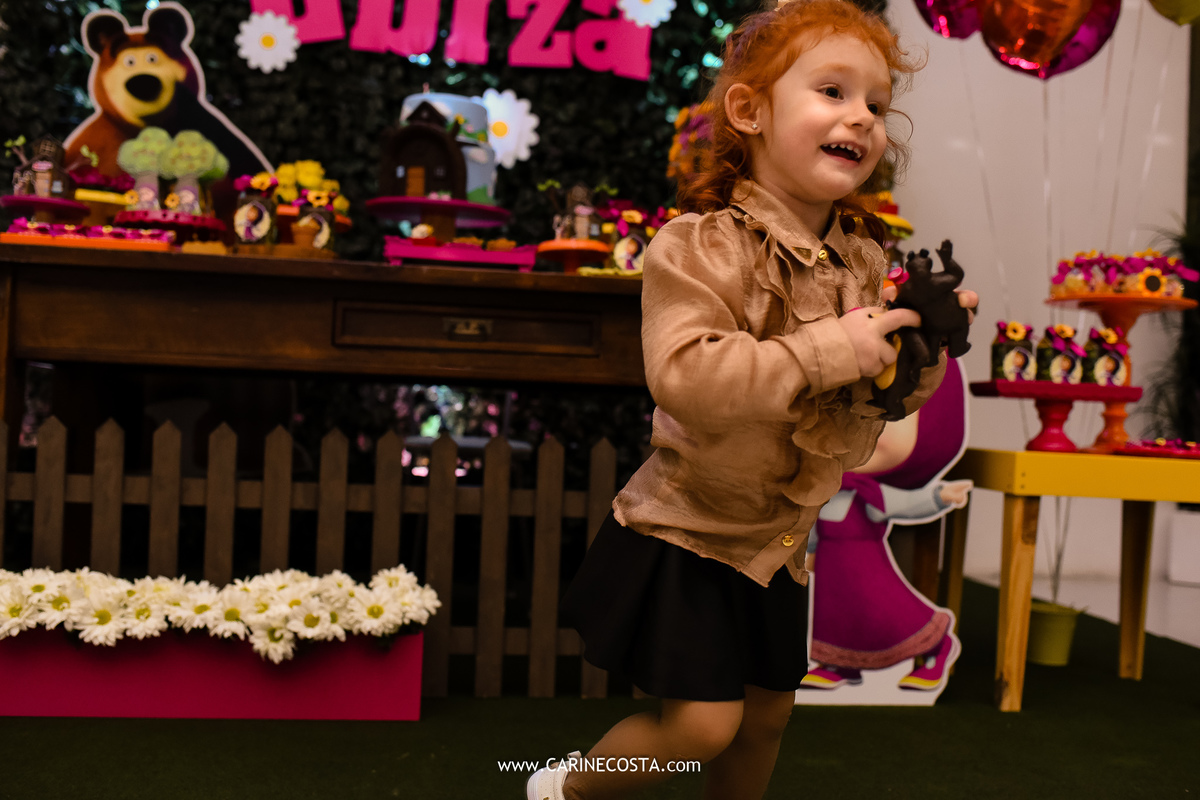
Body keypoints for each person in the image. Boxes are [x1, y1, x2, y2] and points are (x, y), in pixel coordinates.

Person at [528, 1, 978, 798]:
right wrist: (835, 349)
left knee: (768, 716)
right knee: (703, 726)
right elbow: (688, 376)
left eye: (876, 104)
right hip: (691, 533)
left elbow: (884, 406)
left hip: (778, 544)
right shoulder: (697, 246)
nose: (861, 117)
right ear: (750, 110)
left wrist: (922, 348)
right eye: (833, 91)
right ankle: (565, 789)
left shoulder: (863, 263)